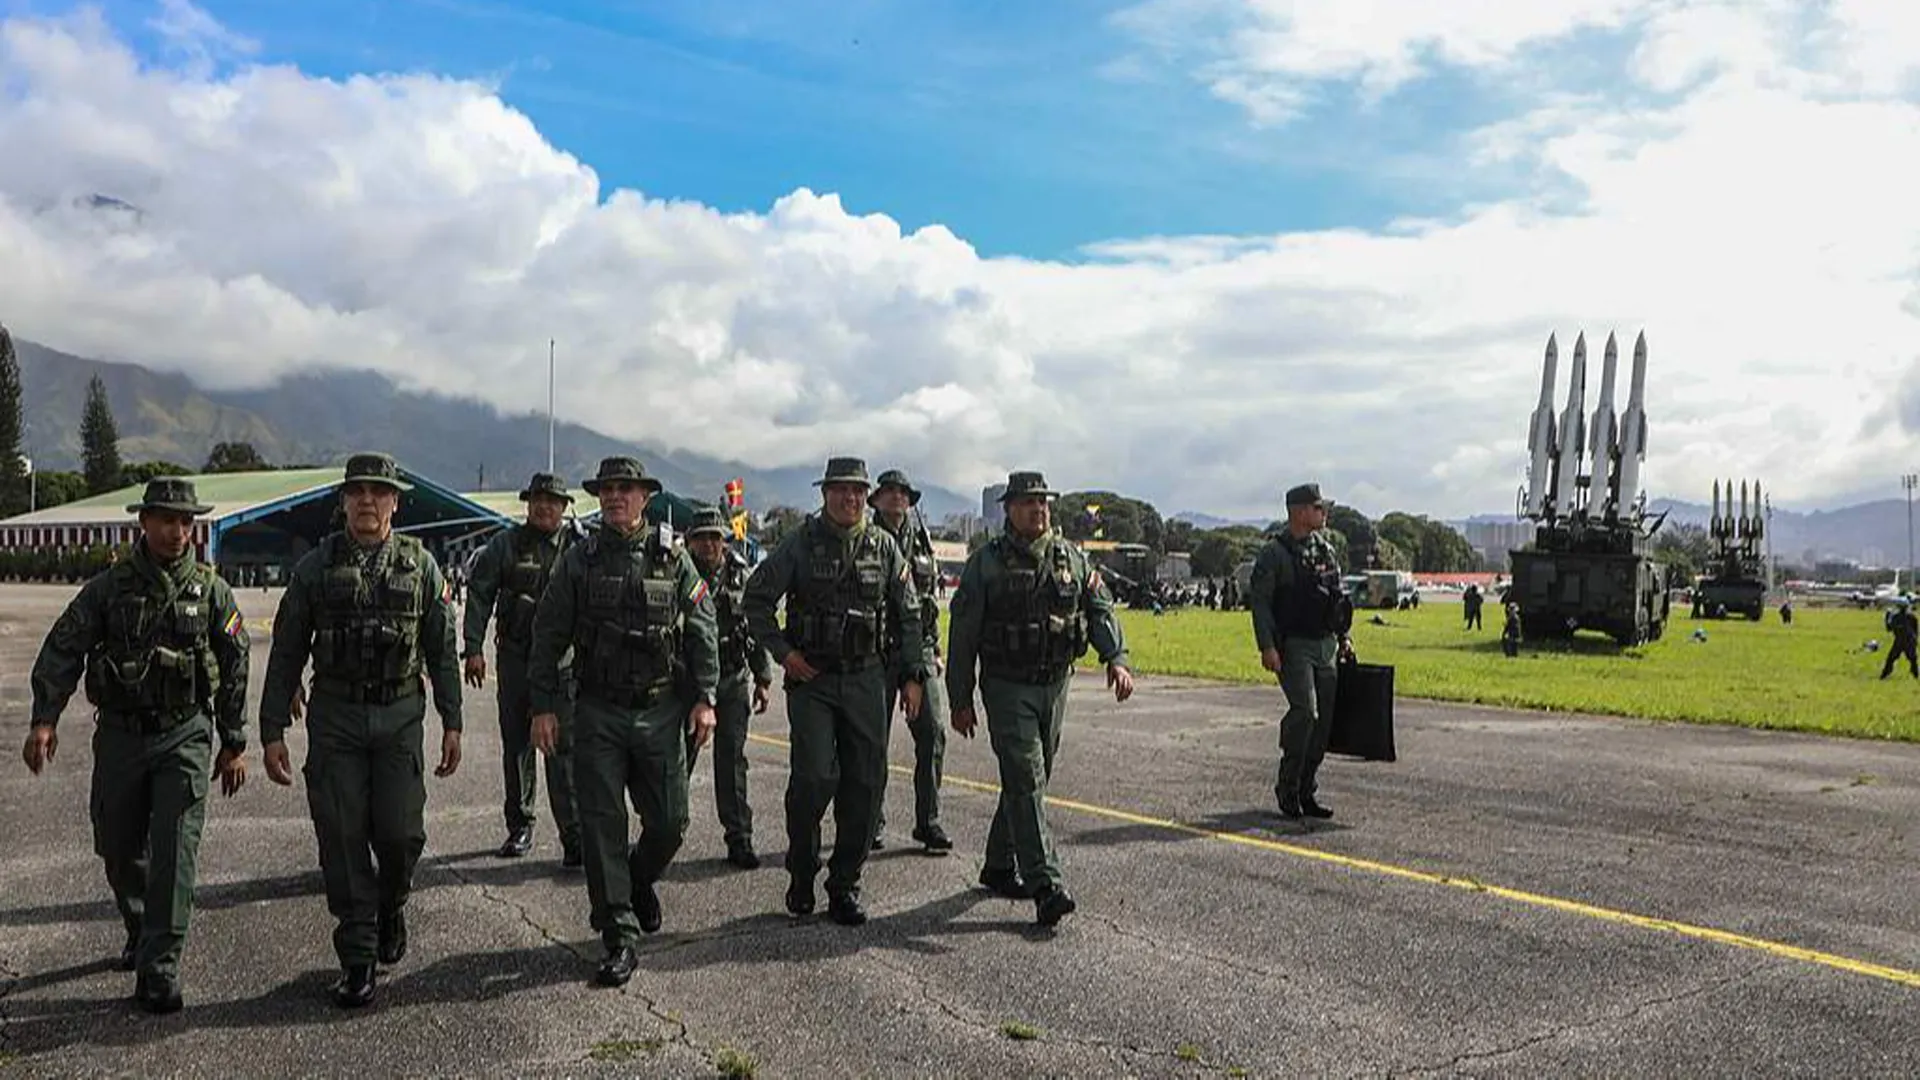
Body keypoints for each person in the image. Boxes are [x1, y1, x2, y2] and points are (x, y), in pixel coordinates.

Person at [22, 477, 250, 1014]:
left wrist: (234, 741)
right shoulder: (108, 588)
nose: (177, 532)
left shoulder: (212, 590)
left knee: (175, 853)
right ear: (143, 523)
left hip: (186, 734)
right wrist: (44, 719)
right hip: (121, 737)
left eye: (186, 522)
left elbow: (235, 662)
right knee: (119, 847)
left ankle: (160, 968)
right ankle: (140, 925)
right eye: (167, 520)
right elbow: (64, 645)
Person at [260, 452, 465, 1009]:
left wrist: (453, 720)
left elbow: (442, 650)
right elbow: (286, 650)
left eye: (379, 492)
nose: (368, 501)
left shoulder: (421, 566)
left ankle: (392, 902)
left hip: (400, 715)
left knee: (401, 836)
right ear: (344, 501)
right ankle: (357, 955)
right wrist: (271, 726)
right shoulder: (315, 568)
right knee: (343, 837)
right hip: (336, 718)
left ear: (396, 501)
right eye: (358, 492)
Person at [526, 456, 719, 987]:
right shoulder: (579, 561)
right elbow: (548, 635)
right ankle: (618, 935)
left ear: (644, 497)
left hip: (660, 711)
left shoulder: (673, 559)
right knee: (602, 826)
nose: (615, 497)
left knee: (671, 822)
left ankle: (637, 880)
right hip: (599, 712)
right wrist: (543, 706)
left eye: (625, 489)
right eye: (607, 489)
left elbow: (703, 628)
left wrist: (705, 698)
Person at [741, 457, 929, 927]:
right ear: (825, 494)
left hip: (867, 676)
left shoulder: (885, 548)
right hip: (814, 680)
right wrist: (784, 654)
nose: (851, 499)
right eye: (841, 490)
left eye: (858, 491)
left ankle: (845, 883)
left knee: (866, 783)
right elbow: (757, 601)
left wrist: (912, 676)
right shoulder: (800, 544)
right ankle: (802, 870)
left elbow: (909, 616)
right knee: (813, 778)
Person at [947, 470, 1133, 926]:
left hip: (1055, 683)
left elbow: (1099, 607)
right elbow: (964, 635)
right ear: (1008, 508)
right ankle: (1045, 884)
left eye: (1043, 502)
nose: (1038, 509)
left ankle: (996, 865)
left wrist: (1117, 657)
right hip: (1007, 686)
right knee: (1027, 776)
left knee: (1030, 777)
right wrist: (960, 698)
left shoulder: (1069, 557)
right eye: (1028, 502)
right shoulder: (985, 563)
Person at [462, 472, 583, 866]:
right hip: (515, 659)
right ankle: (521, 824)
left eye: (552, 500)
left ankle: (574, 835)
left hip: (564, 664)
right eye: (537, 499)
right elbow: (480, 594)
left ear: (565, 507)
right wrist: (473, 647)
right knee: (517, 745)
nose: (544, 506)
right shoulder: (505, 545)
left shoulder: (580, 548)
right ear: (528, 504)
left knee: (562, 751)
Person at [1247, 483, 1355, 820]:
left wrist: (1345, 637)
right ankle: (1288, 785)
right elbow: (1261, 604)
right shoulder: (1273, 554)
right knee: (1305, 713)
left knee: (1324, 726)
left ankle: (1307, 790)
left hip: (1325, 644)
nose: (1324, 514)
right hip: (1294, 646)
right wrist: (1267, 646)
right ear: (1298, 512)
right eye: (1317, 508)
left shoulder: (1326, 549)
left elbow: (1337, 597)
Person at [682, 504, 775, 870]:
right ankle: (665, 831)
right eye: (701, 537)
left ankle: (739, 837)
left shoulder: (740, 575)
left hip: (733, 679)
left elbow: (754, 628)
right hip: (688, 685)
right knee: (678, 761)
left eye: (715, 537)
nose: (708, 544)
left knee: (732, 762)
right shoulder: (678, 573)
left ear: (724, 540)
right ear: (690, 541)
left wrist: (763, 676)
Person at [868, 469, 952, 855]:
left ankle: (928, 820)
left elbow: (928, 602)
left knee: (933, 733)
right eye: (889, 492)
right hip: (876, 654)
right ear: (877, 499)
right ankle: (870, 821)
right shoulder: (865, 541)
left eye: (903, 493)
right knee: (871, 744)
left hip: (918, 651)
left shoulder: (922, 542)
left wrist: (933, 648)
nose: (897, 498)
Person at [1881, 601, 1918, 679]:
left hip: (1900, 641)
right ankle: (1916, 674)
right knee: (1913, 659)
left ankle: (1884, 675)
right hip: (1910, 640)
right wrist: (1915, 641)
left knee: (1891, 658)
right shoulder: (1912, 617)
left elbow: (1889, 629)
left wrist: (1887, 617)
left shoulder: (1896, 617)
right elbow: (1916, 630)